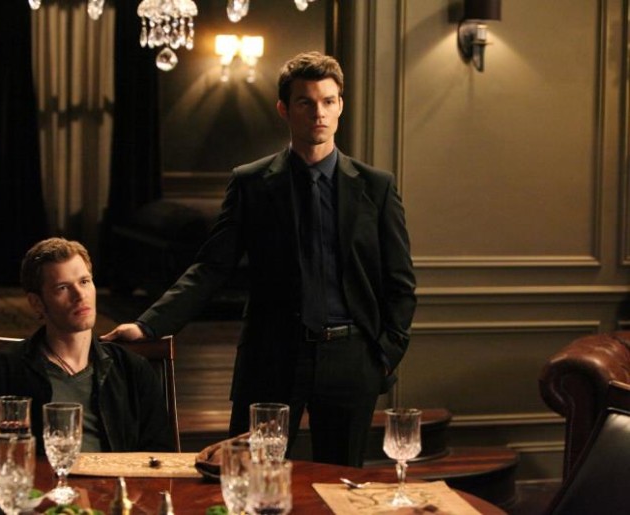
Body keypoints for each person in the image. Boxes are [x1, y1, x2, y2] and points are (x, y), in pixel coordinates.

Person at [103, 51, 416, 467]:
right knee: (249, 480)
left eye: (328, 101)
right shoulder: (251, 182)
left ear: (340, 105)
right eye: (306, 102)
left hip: (350, 360)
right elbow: (211, 267)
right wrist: (148, 325)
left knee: (338, 486)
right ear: (284, 109)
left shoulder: (376, 187)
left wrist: (383, 356)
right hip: (271, 356)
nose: (319, 113)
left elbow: (400, 283)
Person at [0, 237, 173, 461]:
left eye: (84, 281)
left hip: (117, 483)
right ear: (37, 303)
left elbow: (161, 460)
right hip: (38, 483)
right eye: (63, 288)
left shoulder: (132, 369)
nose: (80, 295)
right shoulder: (0, 370)